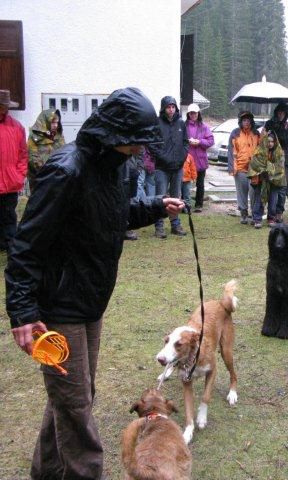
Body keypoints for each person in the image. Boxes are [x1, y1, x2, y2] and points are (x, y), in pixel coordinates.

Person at [5, 87, 185, 480]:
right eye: (137, 140)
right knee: (76, 405)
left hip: (90, 303)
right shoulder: (65, 170)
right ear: (117, 134)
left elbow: (112, 216)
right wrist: (22, 311)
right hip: (57, 307)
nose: (141, 148)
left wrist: (156, 205)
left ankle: (46, 471)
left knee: (72, 396)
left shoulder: (115, 167)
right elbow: (26, 245)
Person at [148, 95, 188, 238]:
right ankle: (159, 227)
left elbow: (185, 143)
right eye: (168, 107)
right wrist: (162, 157)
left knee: (176, 197)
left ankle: (175, 225)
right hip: (162, 168)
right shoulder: (157, 123)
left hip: (177, 167)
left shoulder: (181, 123)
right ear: (164, 108)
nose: (171, 110)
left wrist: (182, 157)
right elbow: (152, 144)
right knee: (161, 197)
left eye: (173, 107)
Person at [0, 89, 28, 251]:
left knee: (9, 216)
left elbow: (23, 154)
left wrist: (19, 175)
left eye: (5, 106)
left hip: (10, 182)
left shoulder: (16, 127)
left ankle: (11, 247)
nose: (4, 109)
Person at [246, 132, 287, 229]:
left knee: (273, 201)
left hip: (274, 181)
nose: (270, 143)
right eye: (268, 141)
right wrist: (263, 170)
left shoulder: (279, 152)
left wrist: (270, 170)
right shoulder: (259, 151)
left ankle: (271, 219)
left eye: (272, 141)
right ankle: (257, 219)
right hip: (261, 179)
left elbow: (280, 167)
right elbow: (254, 164)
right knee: (259, 200)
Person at [228, 111, 260, 224]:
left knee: (253, 193)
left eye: (248, 120)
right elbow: (231, 151)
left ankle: (254, 213)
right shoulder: (235, 133)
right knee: (241, 192)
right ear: (240, 122)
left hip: (254, 169)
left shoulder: (256, 134)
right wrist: (232, 167)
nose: (246, 122)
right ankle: (243, 213)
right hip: (240, 168)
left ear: (251, 121)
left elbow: (261, 151)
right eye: (244, 120)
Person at [264, 102, 288, 222]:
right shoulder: (269, 123)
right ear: (276, 112)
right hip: (270, 159)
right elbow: (264, 138)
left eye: (283, 113)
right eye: (279, 112)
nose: (281, 114)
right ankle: (272, 213)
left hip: (283, 160)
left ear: (286, 114)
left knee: (282, 188)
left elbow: (287, 140)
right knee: (272, 187)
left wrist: (279, 128)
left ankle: (279, 211)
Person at [27, 108, 65, 192]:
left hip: (57, 178)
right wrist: (49, 172)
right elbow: (33, 159)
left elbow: (64, 154)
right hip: (40, 179)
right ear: (45, 121)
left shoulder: (59, 136)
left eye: (57, 122)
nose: (55, 125)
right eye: (53, 122)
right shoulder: (34, 136)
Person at [185, 103, 214, 212]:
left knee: (200, 184)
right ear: (188, 114)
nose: (193, 115)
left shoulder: (204, 126)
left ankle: (199, 204)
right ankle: (185, 204)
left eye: (195, 113)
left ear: (198, 113)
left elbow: (211, 141)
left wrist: (200, 142)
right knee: (185, 183)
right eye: (191, 113)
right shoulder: (184, 126)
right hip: (186, 160)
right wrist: (187, 142)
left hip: (200, 160)